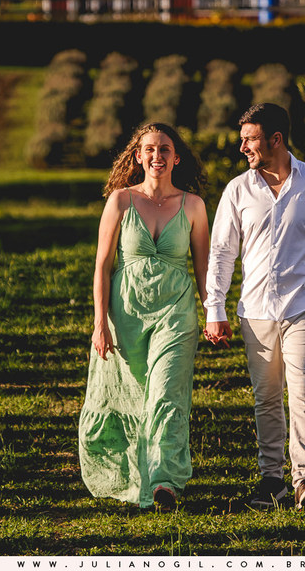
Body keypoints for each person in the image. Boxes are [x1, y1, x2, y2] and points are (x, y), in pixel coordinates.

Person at [203, 103, 305, 511]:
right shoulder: (238, 190)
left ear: (275, 139)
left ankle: (304, 479)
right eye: (242, 139)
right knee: (267, 397)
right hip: (255, 311)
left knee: (303, 390)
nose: (242, 147)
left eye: (250, 139)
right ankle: (270, 480)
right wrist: (214, 307)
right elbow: (222, 253)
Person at [78, 122, 210, 512]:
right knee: (136, 395)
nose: (157, 156)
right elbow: (102, 266)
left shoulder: (195, 206)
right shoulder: (120, 201)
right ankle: (136, 474)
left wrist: (213, 313)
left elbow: (203, 271)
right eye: (149, 149)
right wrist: (99, 322)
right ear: (138, 156)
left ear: (176, 157)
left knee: (167, 393)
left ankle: (164, 482)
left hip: (176, 312)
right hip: (127, 312)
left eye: (164, 149)